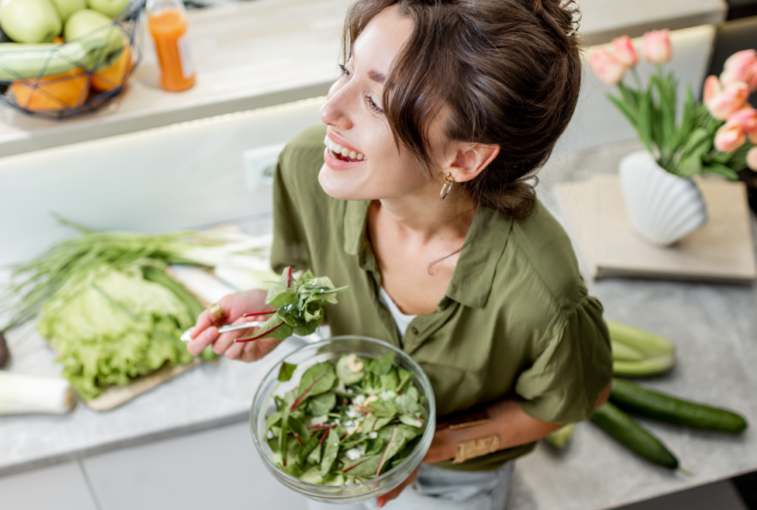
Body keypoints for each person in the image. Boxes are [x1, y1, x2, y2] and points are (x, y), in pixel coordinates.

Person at [187, 0, 613, 508]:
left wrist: (422, 448)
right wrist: (278, 310)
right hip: (342, 440)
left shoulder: (540, 287)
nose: (329, 109)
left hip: (458, 483)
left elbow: (573, 399)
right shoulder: (309, 168)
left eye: (376, 102)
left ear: (463, 157)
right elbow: (306, 275)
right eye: (344, 72)